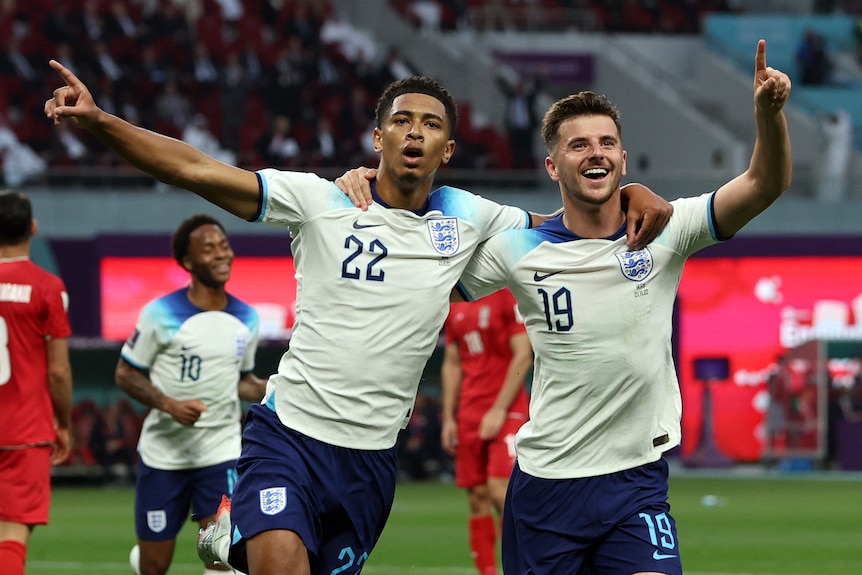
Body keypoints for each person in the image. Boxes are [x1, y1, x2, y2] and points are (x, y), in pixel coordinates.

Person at [44, 63, 671, 575]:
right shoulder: (321, 201)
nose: (415, 132)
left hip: (371, 460)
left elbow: (570, 227)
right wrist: (100, 122)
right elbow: (196, 170)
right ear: (379, 139)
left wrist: (632, 194)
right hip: (288, 431)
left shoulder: (474, 217)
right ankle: (249, 530)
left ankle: (230, 534)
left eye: (430, 124)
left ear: (447, 148)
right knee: (280, 566)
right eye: (402, 121)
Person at [453, 39, 792, 575]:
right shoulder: (519, 250)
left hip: (636, 481)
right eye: (579, 145)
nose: (596, 153)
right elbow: (423, 281)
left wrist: (768, 118)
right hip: (548, 485)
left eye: (607, 142)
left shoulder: (666, 229)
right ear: (552, 165)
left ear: (623, 158)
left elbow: (762, 184)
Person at [116, 213, 266, 575]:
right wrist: (169, 405)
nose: (220, 254)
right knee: (154, 565)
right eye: (208, 249)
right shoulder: (160, 313)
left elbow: (242, 380)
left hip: (220, 450)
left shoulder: (247, 317)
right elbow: (126, 373)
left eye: (224, 246)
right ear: (187, 262)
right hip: (164, 454)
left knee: (221, 553)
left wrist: (271, 387)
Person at [0, 190, 73, 575]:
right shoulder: (47, 287)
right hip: (24, 430)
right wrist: (63, 423)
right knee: (12, 533)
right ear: (32, 228)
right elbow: (58, 370)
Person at [440, 288, 532, 575]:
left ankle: (521, 567)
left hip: (507, 409)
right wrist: (448, 417)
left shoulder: (506, 295)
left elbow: (523, 355)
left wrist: (499, 409)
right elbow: (452, 363)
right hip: (469, 410)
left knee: (501, 492)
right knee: (477, 497)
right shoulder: (453, 303)